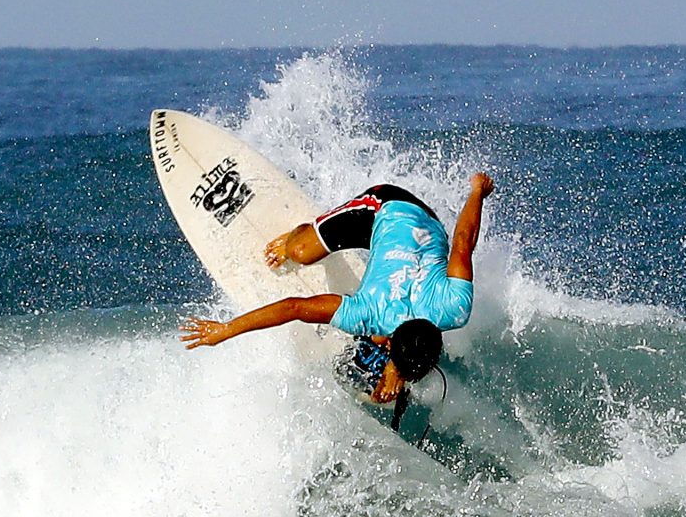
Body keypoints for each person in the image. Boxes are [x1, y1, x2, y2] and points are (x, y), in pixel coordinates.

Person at [180, 171, 495, 426]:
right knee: (300, 253)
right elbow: (295, 307)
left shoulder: (454, 307)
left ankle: (392, 363)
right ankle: (302, 232)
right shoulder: (369, 312)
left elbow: (463, 243)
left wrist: (476, 192)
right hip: (384, 206)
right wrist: (225, 329)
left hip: (427, 224)